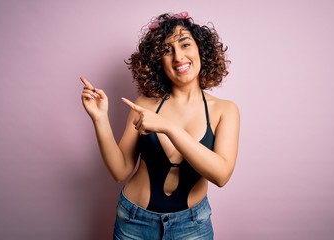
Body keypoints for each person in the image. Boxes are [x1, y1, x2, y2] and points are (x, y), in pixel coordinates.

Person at [80, 11, 240, 240]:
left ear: (201, 51)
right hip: (134, 221)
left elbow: (221, 175)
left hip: (192, 226)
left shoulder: (225, 110)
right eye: (167, 50)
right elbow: (120, 170)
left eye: (185, 44)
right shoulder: (145, 105)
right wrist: (99, 118)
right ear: (158, 61)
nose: (178, 57)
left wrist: (168, 127)